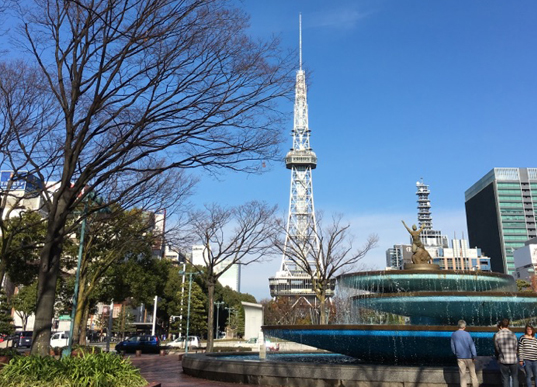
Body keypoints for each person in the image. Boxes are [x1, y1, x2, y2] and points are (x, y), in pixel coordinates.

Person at [451, 319, 479, 387]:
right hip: (469, 357)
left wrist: (456, 353)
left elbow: (452, 346)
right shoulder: (467, 334)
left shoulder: (454, 334)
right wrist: (474, 355)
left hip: (460, 357)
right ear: (464, 327)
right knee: (473, 374)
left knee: (462, 375)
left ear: (458, 326)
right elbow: (471, 345)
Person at [495, 318, 519, 387]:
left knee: (505, 378)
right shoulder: (512, 334)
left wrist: (501, 353)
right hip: (513, 360)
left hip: (503, 360)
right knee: (515, 377)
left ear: (501, 325)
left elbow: (497, 348)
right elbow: (516, 346)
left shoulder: (498, 335)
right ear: (508, 325)